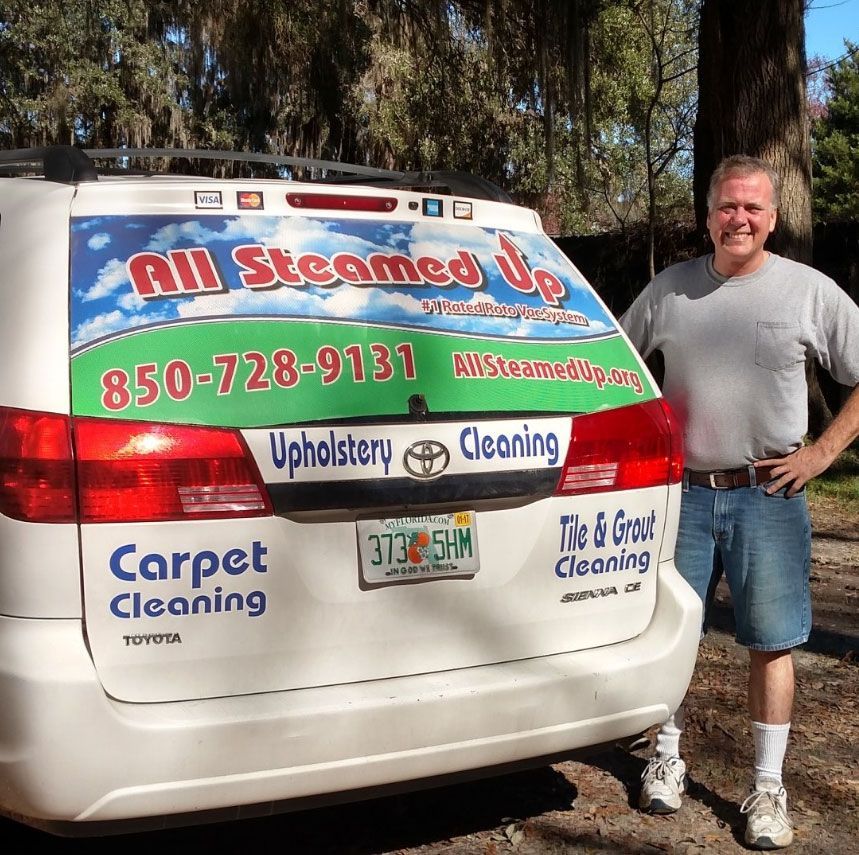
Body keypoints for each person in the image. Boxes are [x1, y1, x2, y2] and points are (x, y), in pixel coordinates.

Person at [620, 154, 859, 850]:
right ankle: (663, 755)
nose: (739, 219)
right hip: (682, 497)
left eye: (753, 207)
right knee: (670, 633)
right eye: (727, 206)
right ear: (707, 215)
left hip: (768, 496)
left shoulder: (807, 292)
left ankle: (767, 788)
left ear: (773, 218)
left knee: (770, 643)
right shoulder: (668, 292)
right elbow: (612, 366)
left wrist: (820, 453)